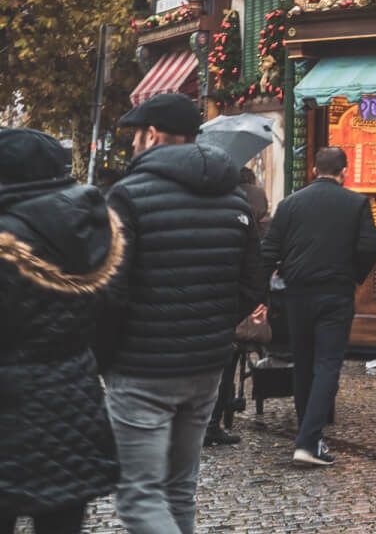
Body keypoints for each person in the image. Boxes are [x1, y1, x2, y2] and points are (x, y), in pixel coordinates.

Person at [98, 92, 262, 534]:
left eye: (136, 136)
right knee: (178, 490)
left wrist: (108, 355)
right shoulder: (234, 200)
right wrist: (215, 327)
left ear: (151, 135)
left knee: (139, 496)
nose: (133, 144)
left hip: (141, 365)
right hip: (206, 365)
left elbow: (110, 289)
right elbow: (251, 283)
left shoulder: (126, 197)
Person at [0, 129, 123, 534]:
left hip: (10, 409)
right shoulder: (89, 229)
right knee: (62, 520)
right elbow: (109, 318)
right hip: (72, 399)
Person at [259, 146, 376, 467]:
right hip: (335, 293)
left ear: (314, 169)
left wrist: (262, 295)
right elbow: (370, 245)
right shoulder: (356, 203)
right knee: (327, 365)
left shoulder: (289, 204)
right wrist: (353, 274)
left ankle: (309, 437)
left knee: (303, 364)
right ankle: (308, 441)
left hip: (296, 294)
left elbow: (268, 251)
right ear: (344, 172)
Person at [203, 167, 273, 449]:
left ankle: (199, 424)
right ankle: (212, 423)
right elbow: (255, 270)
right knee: (224, 364)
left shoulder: (202, 212)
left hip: (198, 307)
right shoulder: (245, 215)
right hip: (228, 306)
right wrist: (243, 307)